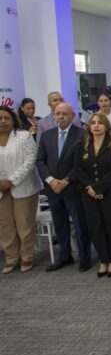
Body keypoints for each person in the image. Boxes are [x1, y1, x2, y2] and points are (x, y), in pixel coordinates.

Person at [36, 103, 92, 272]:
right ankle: (65, 256)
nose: (60, 116)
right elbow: (40, 161)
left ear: (72, 115)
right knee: (60, 225)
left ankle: (84, 258)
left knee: (80, 225)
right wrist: (51, 180)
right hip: (53, 189)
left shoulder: (82, 134)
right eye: (58, 113)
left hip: (73, 187)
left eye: (65, 114)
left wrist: (67, 180)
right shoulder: (47, 135)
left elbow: (83, 162)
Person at [72, 113, 111, 278]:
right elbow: (77, 169)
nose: (96, 125)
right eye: (93, 123)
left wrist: (99, 188)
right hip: (88, 194)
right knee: (95, 227)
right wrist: (91, 188)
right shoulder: (80, 146)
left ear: (107, 126)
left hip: (110, 193)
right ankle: (103, 259)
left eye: (100, 123)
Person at [0, 106, 42, 273]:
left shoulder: (24, 136)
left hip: (24, 186)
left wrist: (11, 180)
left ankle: (26, 256)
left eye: (6, 118)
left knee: (24, 223)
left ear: (13, 120)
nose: (3, 121)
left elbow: (30, 161)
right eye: (0, 118)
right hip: (1, 189)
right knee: (5, 225)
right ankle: (11, 258)